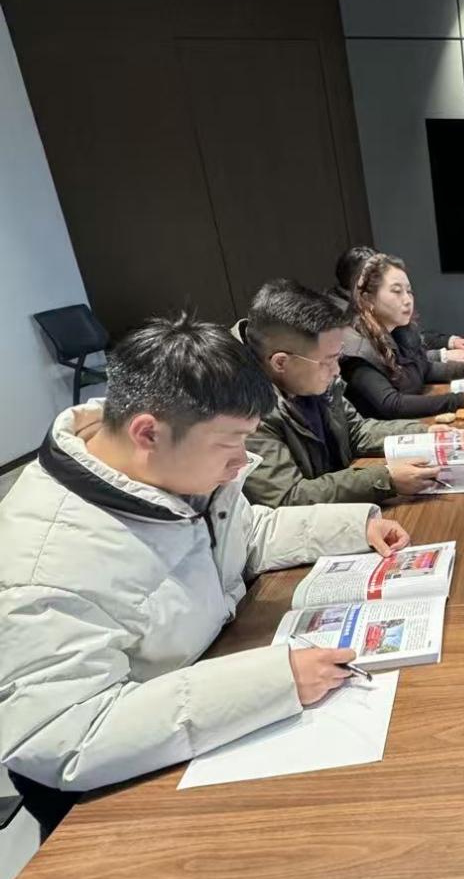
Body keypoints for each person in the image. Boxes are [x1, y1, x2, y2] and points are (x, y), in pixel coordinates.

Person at [0, 316, 411, 794]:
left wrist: (355, 526)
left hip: (209, 679)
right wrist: (273, 683)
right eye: (229, 443)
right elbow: (65, 737)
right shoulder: (42, 564)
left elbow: (243, 534)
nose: (242, 462)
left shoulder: (176, 470)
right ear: (147, 434)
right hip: (118, 785)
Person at [236, 280, 443, 508]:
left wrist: (424, 432)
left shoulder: (309, 377)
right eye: (328, 361)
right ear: (280, 363)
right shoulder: (243, 412)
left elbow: (356, 431)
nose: (336, 371)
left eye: (338, 356)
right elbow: (289, 497)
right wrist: (385, 479)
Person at [342, 254, 464, 420]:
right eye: (397, 291)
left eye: (409, 291)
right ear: (368, 300)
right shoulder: (357, 350)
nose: (407, 300)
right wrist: (458, 400)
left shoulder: (400, 331)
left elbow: (424, 369)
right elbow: (392, 404)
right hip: (388, 433)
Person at [329, 245, 464, 361]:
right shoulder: (343, 321)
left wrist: (449, 341)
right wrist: (441, 356)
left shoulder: (372, 306)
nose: (407, 299)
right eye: (395, 290)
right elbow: (390, 363)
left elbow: (411, 338)